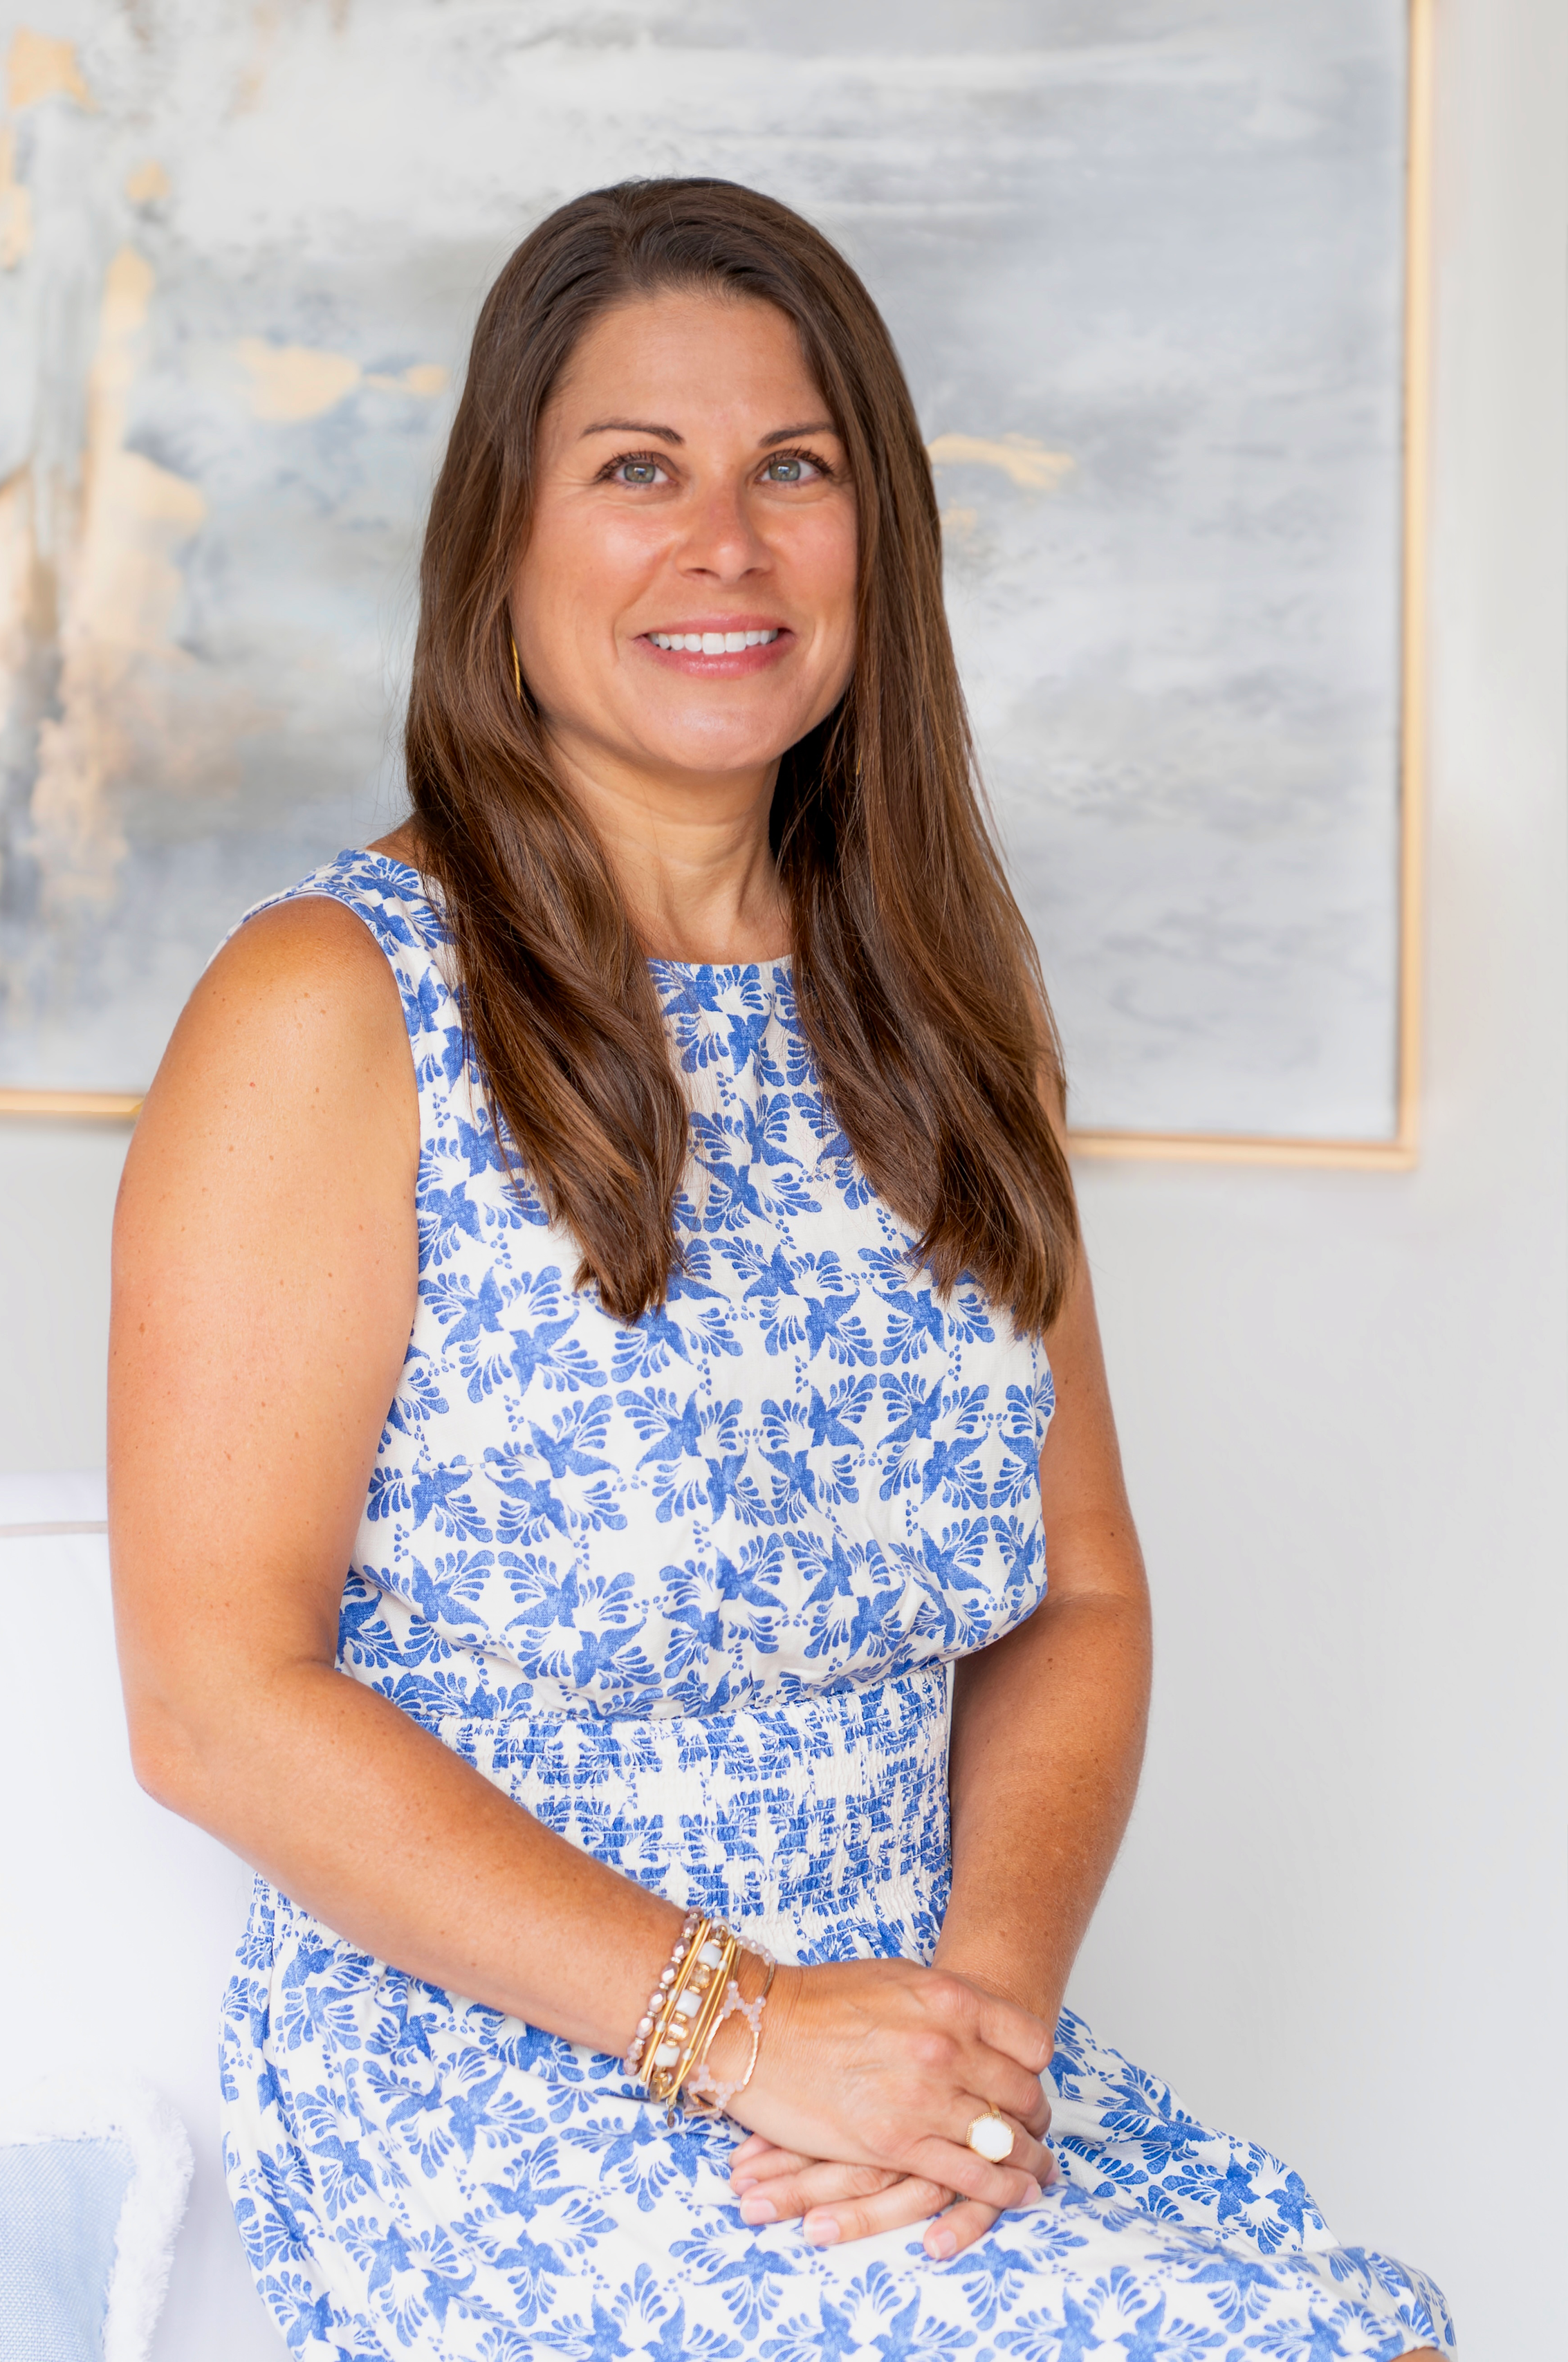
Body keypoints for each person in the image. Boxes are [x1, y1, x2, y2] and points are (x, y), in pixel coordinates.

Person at [109, 178, 1453, 2361]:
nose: (722, 542)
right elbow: (215, 1702)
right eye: (635, 469)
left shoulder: (937, 1001)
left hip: (905, 2052)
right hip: (504, 2076)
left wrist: (978, 2018)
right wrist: (736, 2025)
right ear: (504, 544)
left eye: (791, 469)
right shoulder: (328, 1007)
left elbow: (1076, 1591)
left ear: (872, 539)